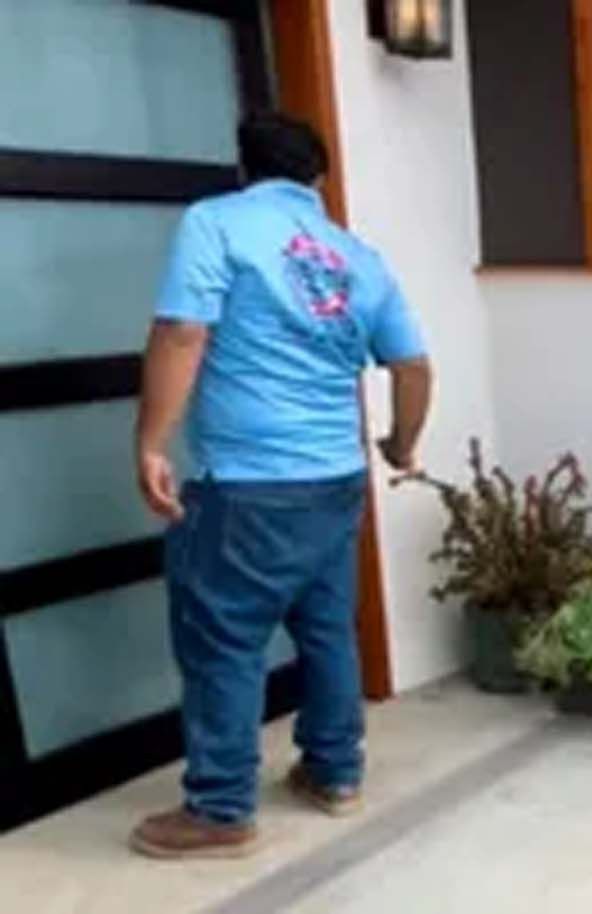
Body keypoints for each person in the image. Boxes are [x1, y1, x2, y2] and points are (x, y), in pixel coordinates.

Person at [129, 113, 433, 859]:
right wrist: (402, 442)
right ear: (317, 179)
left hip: (248, 483)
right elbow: (413, 365)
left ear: (245, 168)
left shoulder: (217, 223)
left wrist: (151, 442)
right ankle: (334, 772)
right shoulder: (359, 256)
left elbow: (182, 333)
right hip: (335, 478)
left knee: (223, 639)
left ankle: (221, 808)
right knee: (326, 626)